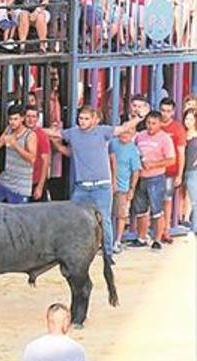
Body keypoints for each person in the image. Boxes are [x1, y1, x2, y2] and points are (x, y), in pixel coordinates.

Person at [45, 105, 141, 257]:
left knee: (105, 220)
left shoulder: (102, 131)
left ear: (94, 120)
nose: (82, 121)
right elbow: (55, 133)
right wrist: (33, 128)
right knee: (73, 218)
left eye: (86, 119)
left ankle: (108, 253)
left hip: (101, 186)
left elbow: (123, 128)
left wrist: (138, 118)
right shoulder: (73, 133)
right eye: (81, 118)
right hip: (82, 186)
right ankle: (74, 250)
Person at [131, 111, 175, 250]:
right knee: (141, 210)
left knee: (157, 210)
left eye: (153, 123)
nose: (150, 126)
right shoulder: (139, 136)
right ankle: (141, 237)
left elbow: (171, 159)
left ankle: (157, 239)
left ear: (160, 124)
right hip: (140, 177)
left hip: (156, 178)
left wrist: (154, 165)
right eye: (148, 123)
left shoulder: (165, 139)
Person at [0, 105, 37, 204]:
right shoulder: (9, 129)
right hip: (5, 180)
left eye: (15, 119)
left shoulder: (30, 135)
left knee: (18, 217)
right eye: (10, 119)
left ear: (22, 119)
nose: (12, 122)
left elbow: (32, 159)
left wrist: (15, 145)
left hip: (21, 186)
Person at [158, 98, 187, 243]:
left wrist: (179, 174)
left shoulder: (178, 128)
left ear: (173, 112)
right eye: (163, 110)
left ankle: (166, 230)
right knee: (154, 201)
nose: (165, 114)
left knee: (167, 201)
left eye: (168, 111)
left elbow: (181, 152)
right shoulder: (155, 124)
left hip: (170, 171)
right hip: (154, 170)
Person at [108, 128, 141, 252]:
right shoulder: (113, 143)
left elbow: (135, 171)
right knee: (107, 214)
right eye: (123, 131)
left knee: (121, 215)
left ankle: (117, 241)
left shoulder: (133, 149)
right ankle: (107, 240)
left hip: (123, 187)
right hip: (109, 185)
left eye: (128, 133)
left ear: (132, 134)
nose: (124, 134)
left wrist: (132, 189)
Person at [24, 105, 52, 201]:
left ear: (37, 118)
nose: (31, 119)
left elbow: (45, 162)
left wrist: (40, 186)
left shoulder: (41, 135)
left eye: (33, 116)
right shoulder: (20, 133)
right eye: (28, 116)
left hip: (35, 182)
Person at [184, 108, 197, 234]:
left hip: (193, 170)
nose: (188, 122)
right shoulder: (183, 134)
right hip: (184, 169)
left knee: (194, 199)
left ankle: (195, 227)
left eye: (191, 119)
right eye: (186, 118)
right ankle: (185, 219)